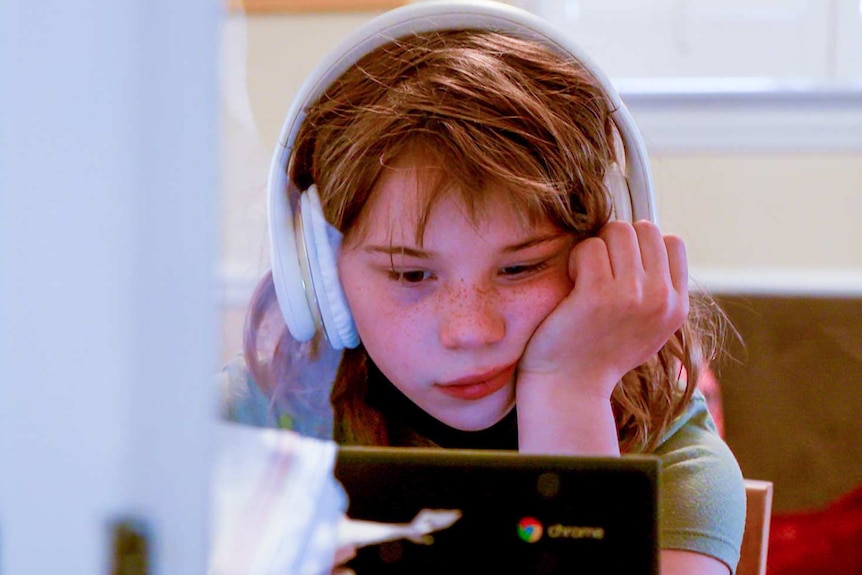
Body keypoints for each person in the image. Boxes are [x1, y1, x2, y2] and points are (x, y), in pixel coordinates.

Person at [222, 3, 746, 574]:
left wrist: (566, 391)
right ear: (316, 275)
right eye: (410, 275)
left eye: (521, 269)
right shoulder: (247, 425)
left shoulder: (670, 457)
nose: (471, 331)